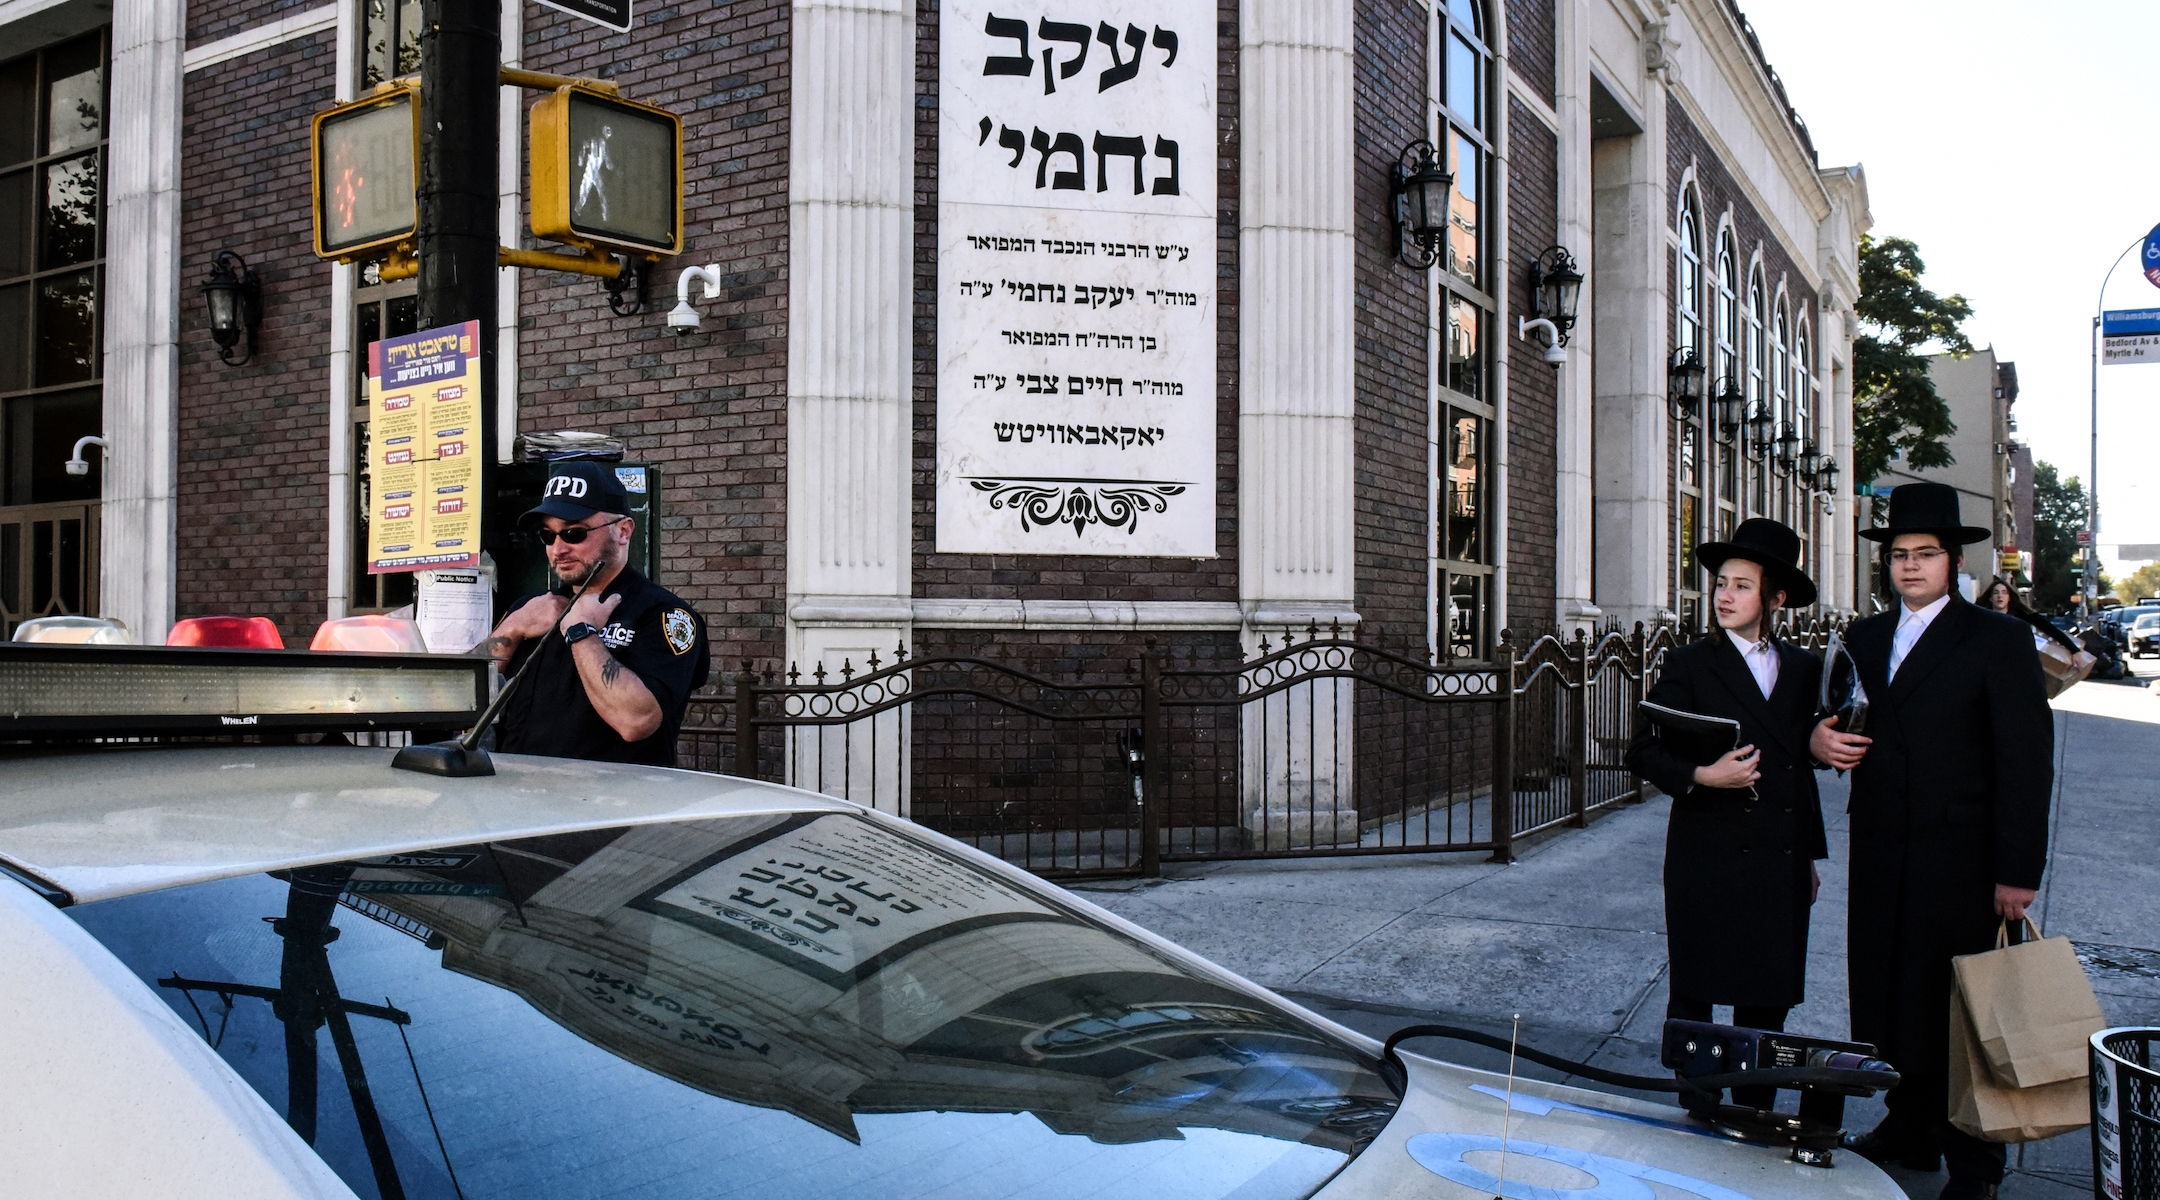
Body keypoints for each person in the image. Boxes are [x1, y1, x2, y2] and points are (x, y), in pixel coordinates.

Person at [1824, 482, 2054, 1200]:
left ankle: (1975, 1165)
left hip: (1963, 859)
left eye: (1925, 555)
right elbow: (1831, 718)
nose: (1911, 567)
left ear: (1953, 562)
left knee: (1958, 1008)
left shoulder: (1999, 639)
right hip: (1884, 851)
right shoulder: (1862, 638)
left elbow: (2026, 761)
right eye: (1899, 555)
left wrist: (2018, 871)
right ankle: (1908, 1125)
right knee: (1889, 996)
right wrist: (1820, 740)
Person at [1625, 518, 1843, 1112]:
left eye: (1742, 585)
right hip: (1707, 849)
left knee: (1767, 993)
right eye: (1721, 582)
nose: (1724, 595)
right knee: (1695, 988)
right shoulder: (1691, 663)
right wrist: (1702, 776)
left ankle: (1754, 1108)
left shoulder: (1802, 670)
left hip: (1780, 853)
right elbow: (1642, 747)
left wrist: (1810, 857)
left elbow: (1798, 771)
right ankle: (1696, 1105)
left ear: (1775, 598)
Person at [481, 461, 710, 766]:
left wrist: (580, 630)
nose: (558, 549)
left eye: (574, 533)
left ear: (623, 532)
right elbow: (456, 698)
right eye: (548, 536)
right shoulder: (531, 609)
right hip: (523, 801)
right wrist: (511, 628)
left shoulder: (662, 614)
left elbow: (636, 721)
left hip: (611, 806)